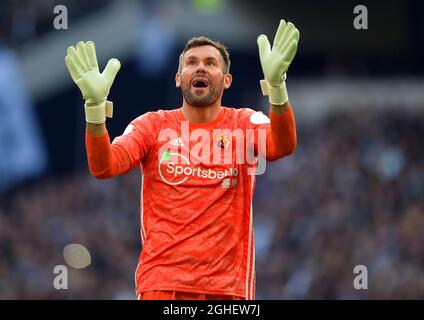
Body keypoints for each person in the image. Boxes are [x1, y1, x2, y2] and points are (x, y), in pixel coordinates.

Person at [64, 19, 300, 300]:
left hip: (227, 288)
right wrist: (94, 109)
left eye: (211, 63)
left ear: (226, 80)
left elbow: (282, 145)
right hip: (163, 285)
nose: (200, 67)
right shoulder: (151, 125)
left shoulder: (244, 122)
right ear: (178, 78)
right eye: (191, 62)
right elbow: (103, 166)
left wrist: (277, 88)